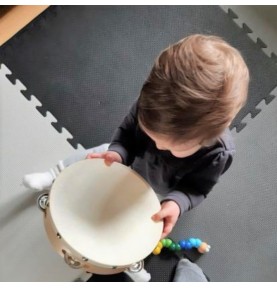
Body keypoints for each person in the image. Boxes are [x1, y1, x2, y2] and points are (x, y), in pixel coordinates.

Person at [23, 34, 249, 240]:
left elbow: (197, 188)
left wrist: (177, 203)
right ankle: (54, 174)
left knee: (139, 224)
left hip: (160, 187)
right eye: (152, 134)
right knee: (94, 155)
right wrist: (118, 153)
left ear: (211, 135)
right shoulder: (152, 107)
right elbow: (126, 134)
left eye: (173, 147)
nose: (158, 146)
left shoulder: (217, 155)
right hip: (128, 158)